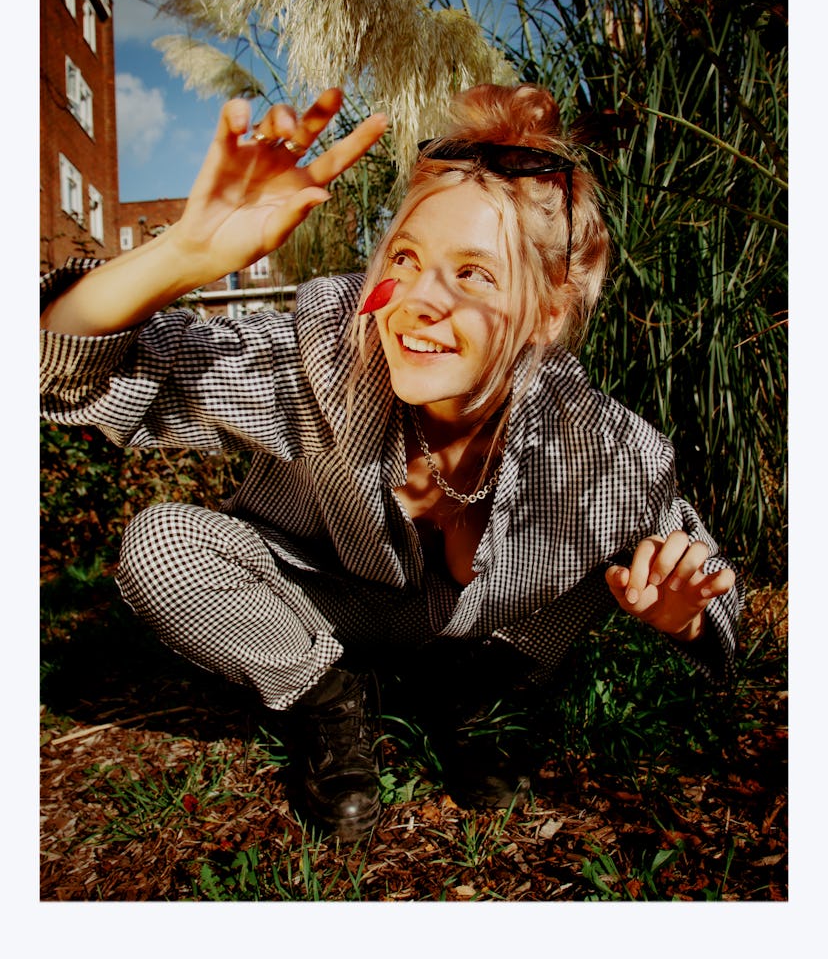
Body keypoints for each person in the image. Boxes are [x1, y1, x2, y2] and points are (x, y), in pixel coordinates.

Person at [40, 84, 742, 842]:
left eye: (475, 273)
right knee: (161, 544)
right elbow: (74, 374)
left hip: (488, 643)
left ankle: (477, 704)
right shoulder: (329, 360)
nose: (418, 300)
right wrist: (181, 256)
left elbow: (701, 584)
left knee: (607, 544)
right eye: (405, 258)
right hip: (336, 611)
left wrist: (685, 618)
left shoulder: (608, 452)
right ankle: (326, 697)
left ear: (550, 311)